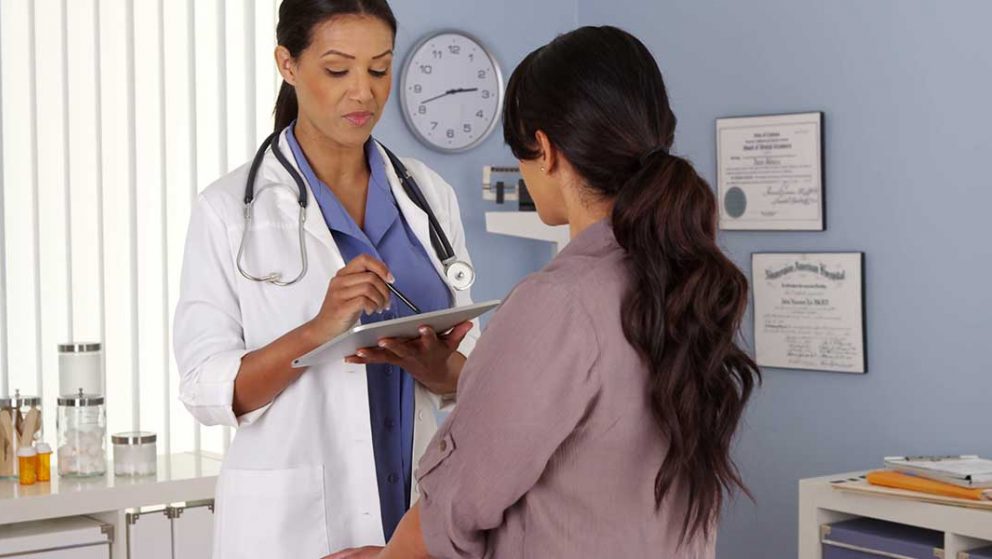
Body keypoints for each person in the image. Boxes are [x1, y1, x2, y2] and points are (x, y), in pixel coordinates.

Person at [330, 25, 761, 559]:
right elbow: (596, 434)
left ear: (546, 150)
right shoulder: (683, 282)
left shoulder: (559, 301)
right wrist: (464, 378)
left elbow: (457, 506)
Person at [172, 1, 480, 557]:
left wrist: (441, 368)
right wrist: (317, 330)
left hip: (418, 525)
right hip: (297, 528)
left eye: (379, 69)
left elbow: (469, 380)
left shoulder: (429, 197)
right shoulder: (226, 211)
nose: (363, 92)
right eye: (338, 70)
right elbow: (207, 390)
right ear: (287, 65)